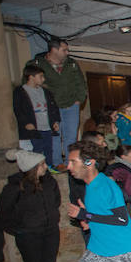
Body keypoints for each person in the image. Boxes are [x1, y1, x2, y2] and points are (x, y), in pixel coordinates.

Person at [0, 148, 70, 262]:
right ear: (32, 167)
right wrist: (19, 230)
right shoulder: (15, 187)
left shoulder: (49, 182)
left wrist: (51, 218)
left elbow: (56, 201)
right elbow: (2, 214)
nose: (45, 166)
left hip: (50, 230)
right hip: (29, 235)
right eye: (42, 164)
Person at [30, 39, 87, 170]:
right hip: (50, 106)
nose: (67, 52)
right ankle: (56, 163)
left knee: (71, 135)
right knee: (54, 135)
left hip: (71, 105)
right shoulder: (38, 64)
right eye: (64, 50)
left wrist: (79, 99)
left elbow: (80, 83)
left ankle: (70, 162)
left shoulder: (71, 64)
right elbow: (30, 85)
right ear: (54, 50)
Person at [13, 64, 60, 169]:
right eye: (40, 76)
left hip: (47, 127)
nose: (43, 79)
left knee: (48, 148)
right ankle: (36, 169)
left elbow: (53, 108)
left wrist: (55, 121)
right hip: (34, 128)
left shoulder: (46, 92)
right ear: (31, 77)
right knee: (37, 148)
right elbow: (18, 109)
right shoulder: (20, 91)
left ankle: (49, 167)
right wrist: (26, 123)